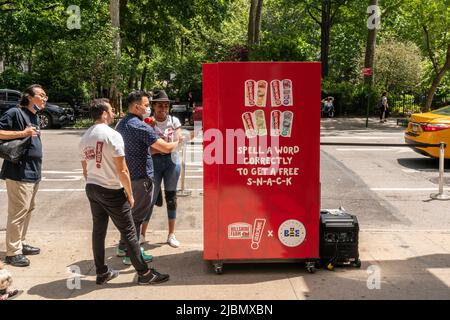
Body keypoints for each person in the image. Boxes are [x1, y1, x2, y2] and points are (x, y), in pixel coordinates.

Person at [79, 98, 169, 285]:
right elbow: (122, 169)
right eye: (111, 110)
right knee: (129, 231)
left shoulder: (85, 136)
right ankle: (144, 274)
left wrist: (94, 184)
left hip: (92, 187)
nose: (113, 113)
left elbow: (85, 169)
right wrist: (129, 193)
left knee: (98, 231)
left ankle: (102, 271)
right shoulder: (112, 135)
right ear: (103, 114)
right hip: (111, 189)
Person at [115, 91, 180, 265]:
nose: (148, 108)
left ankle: (123, 247)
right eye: (146, 105)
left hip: (129, 175)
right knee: (136, 217)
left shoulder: (122, 123)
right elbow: (165, 148)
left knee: (130, 213)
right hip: (141, 177)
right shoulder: (140, 126)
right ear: (137, 107)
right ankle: (132, 255)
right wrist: (179, 142)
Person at [0, 84, 45, 267]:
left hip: (34, 171)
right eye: (41, 95)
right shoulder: (14, 113)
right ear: (29, 96)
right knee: (18, 212)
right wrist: (23, 133)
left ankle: (20, 243)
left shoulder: (35, 116)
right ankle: (12, 252)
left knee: (28, 210)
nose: (44, 98)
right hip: (18, 171)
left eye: (45, 96)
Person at [141, 90, 182, 247]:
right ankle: (142, 234)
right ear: (153, 106)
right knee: (150, 199)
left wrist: (161, 147)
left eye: (166, 105)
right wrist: (165, 147)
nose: (163, 108)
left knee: (171, 198)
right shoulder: (148, 122)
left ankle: (171, 234)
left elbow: (177, 144)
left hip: (172, 163)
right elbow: (148, 148)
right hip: (154, 163)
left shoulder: (174, 121)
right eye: (160, 105)